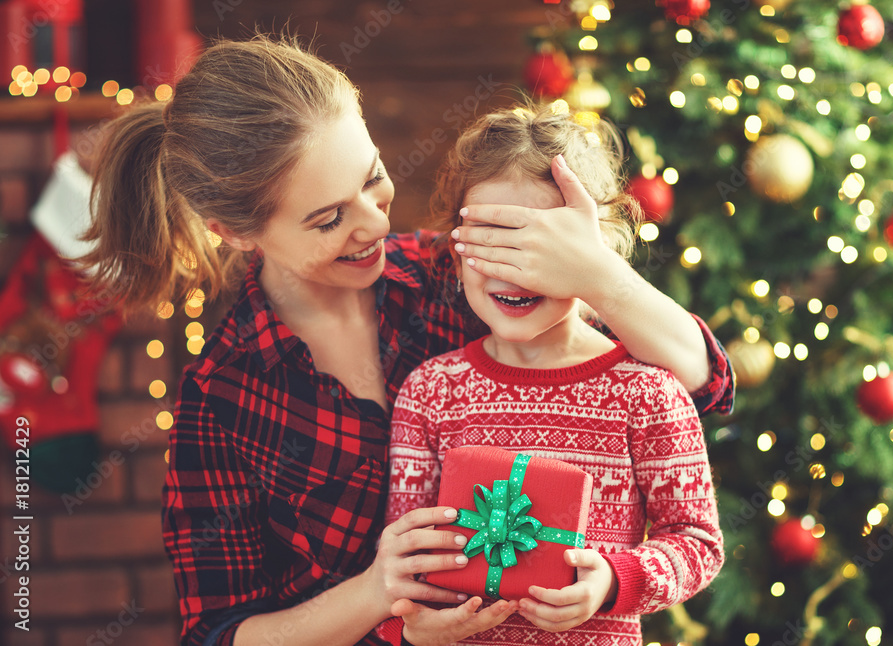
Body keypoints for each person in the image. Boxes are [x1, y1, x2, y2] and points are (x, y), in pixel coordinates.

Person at [80, 33, 733, 646]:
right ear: (236, 232)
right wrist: (375, 595)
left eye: (371, 178)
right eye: (328, 218)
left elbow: (701, 387)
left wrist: (598, 274)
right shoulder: (223, 394)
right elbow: (220, 632)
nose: (373, 224)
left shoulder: (456, 276)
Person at [381, 102, 724, 646]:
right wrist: (412, 622)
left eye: (537, 244)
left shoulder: (647, 393)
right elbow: (411, 556)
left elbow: (698, 542)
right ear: (454, 247)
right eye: (490, 239)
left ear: (597, 248)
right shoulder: (430, 392)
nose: (512, 267)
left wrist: (614, 579)